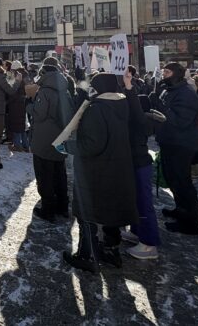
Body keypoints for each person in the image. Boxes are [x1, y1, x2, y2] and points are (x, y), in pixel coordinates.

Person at [64, 73, 138, 272]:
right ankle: (111, 251)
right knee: (111, 211)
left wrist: (68, 146)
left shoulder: (96, 109)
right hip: (117, 166)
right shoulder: (121, 104)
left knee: (87, 211)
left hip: (95, 169)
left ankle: (87, 254)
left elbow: (92, 145)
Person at [150, 62, 198, 235]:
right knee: (172, 179)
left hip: (181, 144)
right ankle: (181, 209)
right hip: (169, 141)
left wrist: (160, 105)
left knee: (182, 182)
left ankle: (191, 222)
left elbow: (180, 120)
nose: (164, 74)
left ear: (177, 74)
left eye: (167, 72)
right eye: (163, 71)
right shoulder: (169, 89)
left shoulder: (186, 93)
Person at [120, 68, 162, 260]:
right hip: (136, 163)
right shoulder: (140, 121)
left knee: (144, 204)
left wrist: (129, 87)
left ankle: (149, 244)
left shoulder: (140, 120)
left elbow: (136, 110)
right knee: (136, 201)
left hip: (140, 165)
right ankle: (137, 232)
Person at [28, 58, 73, 222]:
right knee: (59, 174)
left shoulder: (45, 91)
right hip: (60, 138)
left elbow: (39, 114)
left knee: (45, 176)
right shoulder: (65, 90)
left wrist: (29, 105)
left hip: (44, 140)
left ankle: (48, 209)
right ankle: (63, 206)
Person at [7, 60, 30, 153]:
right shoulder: (26, 74)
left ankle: (17, 145)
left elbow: (11, 90)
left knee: (16, 124)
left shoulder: (15, 75)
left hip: (15, 103)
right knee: (22, 125)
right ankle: (26, 145)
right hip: (24, 102)